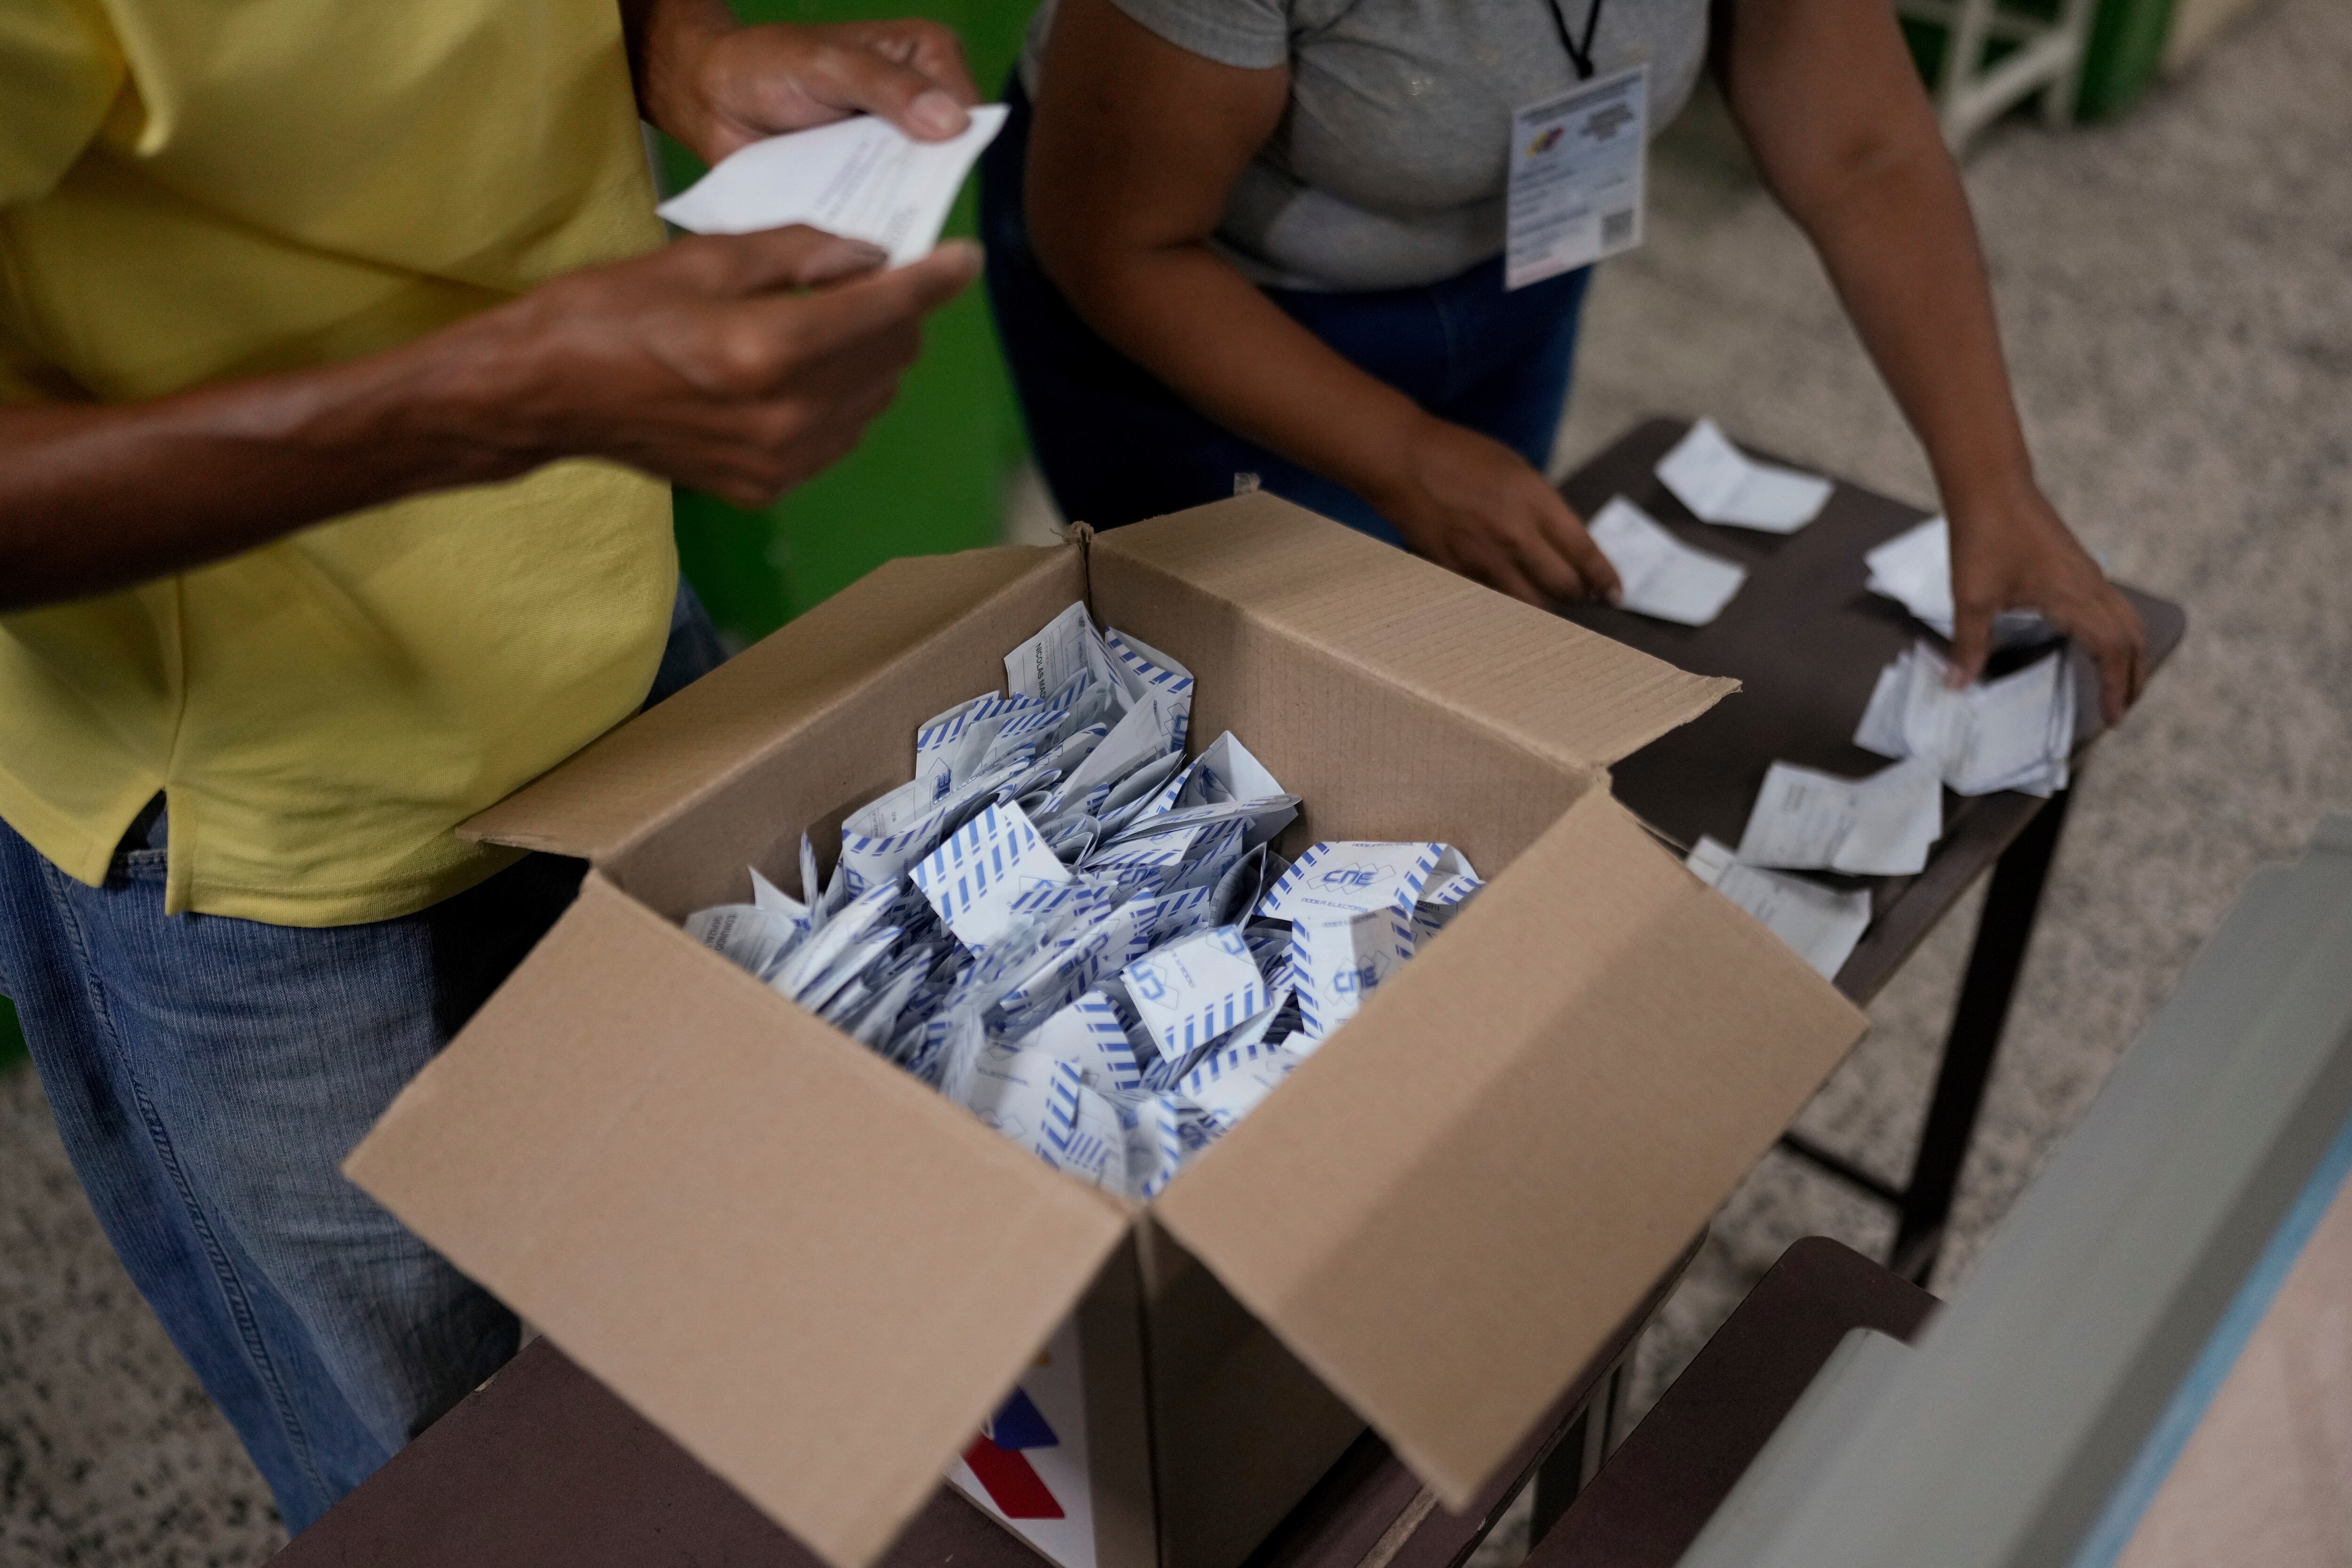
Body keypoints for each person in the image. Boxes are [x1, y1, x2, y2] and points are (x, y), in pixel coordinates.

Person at [0, 0, 980, 1532]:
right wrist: (494, 395)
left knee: (748, 1291)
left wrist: (681, 50)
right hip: (265, 838)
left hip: (606, 628)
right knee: (441, 1475)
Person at [983, 0, 2147, 722]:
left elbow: (1861, 148)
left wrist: (1992, 483)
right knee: (1265, 722)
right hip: (1198, 300)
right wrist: (1402, 454)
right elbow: (1117, 247)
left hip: (1511, 249)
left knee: (1462, 629)